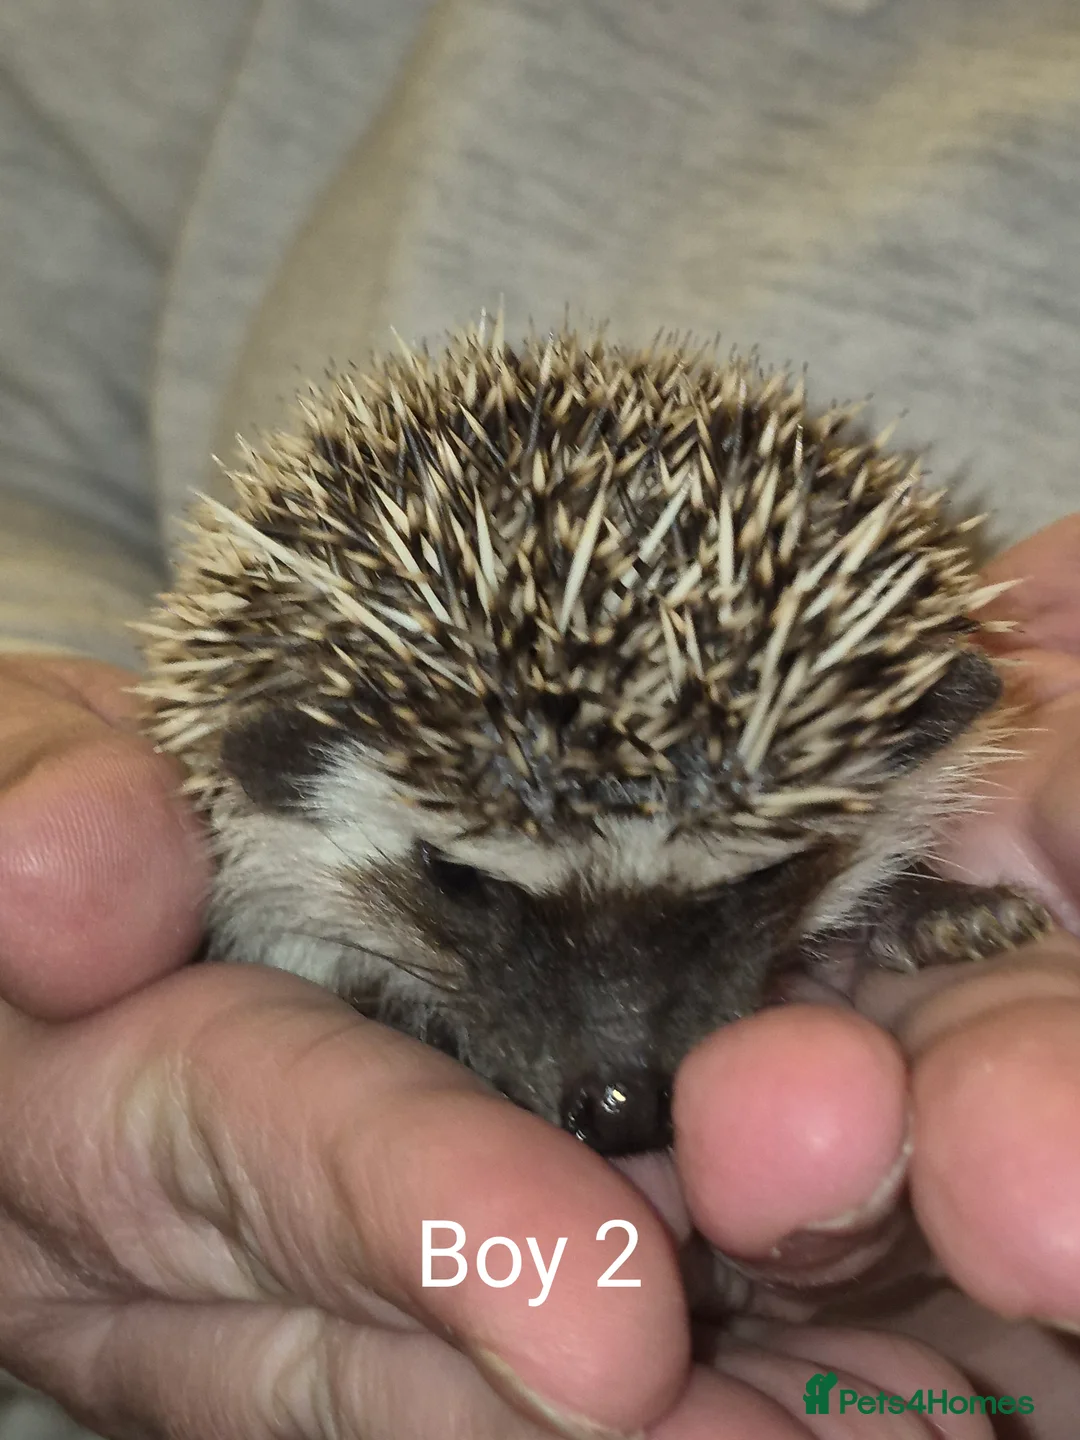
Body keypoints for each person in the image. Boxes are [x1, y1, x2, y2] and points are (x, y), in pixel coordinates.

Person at [2, 2, 1079, 1435]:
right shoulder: (273, 755)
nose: (617, 1065)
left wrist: (907, 911)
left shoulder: (912, 732)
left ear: (917, 746)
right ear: (290, 775)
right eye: (467, 887)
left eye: (745, 888)